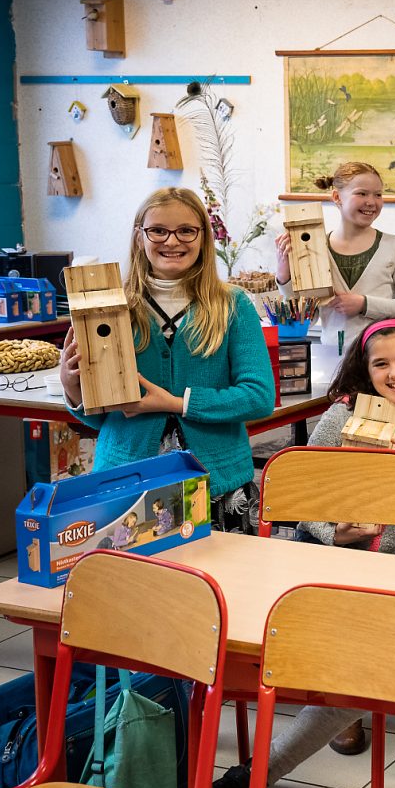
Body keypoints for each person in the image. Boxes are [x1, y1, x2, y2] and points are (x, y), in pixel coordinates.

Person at [206, 317, 395, 788]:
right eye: (381, 364)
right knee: (333, 649)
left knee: (361, 658)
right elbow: (300, 492)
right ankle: (323, 712)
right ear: (362, 367)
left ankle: (266, 765)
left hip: (392, 570)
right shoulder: (340, 415)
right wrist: (334, 533)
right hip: (329, 561)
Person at [58, 187, 273, 533]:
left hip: (216, 482)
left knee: (222, 580)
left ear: (203, 236)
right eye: (158, 230)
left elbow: (259, 397)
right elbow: (103, 420)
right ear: (139, 236)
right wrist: (74, 392)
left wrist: (176, 402)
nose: (172, 241)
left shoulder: (233, 305)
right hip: (125, 479)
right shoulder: (109, 307)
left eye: (186, 230)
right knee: (136, 584)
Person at [275, 161, 395, 341]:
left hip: (382, 357)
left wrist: (364, 304)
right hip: (332, 359)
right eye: (361, 193)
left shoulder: (394, 246)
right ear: (337, 197)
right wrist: (284, 277)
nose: (371, 202)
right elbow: (305, 320)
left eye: (378, 194)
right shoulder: (314, 251)